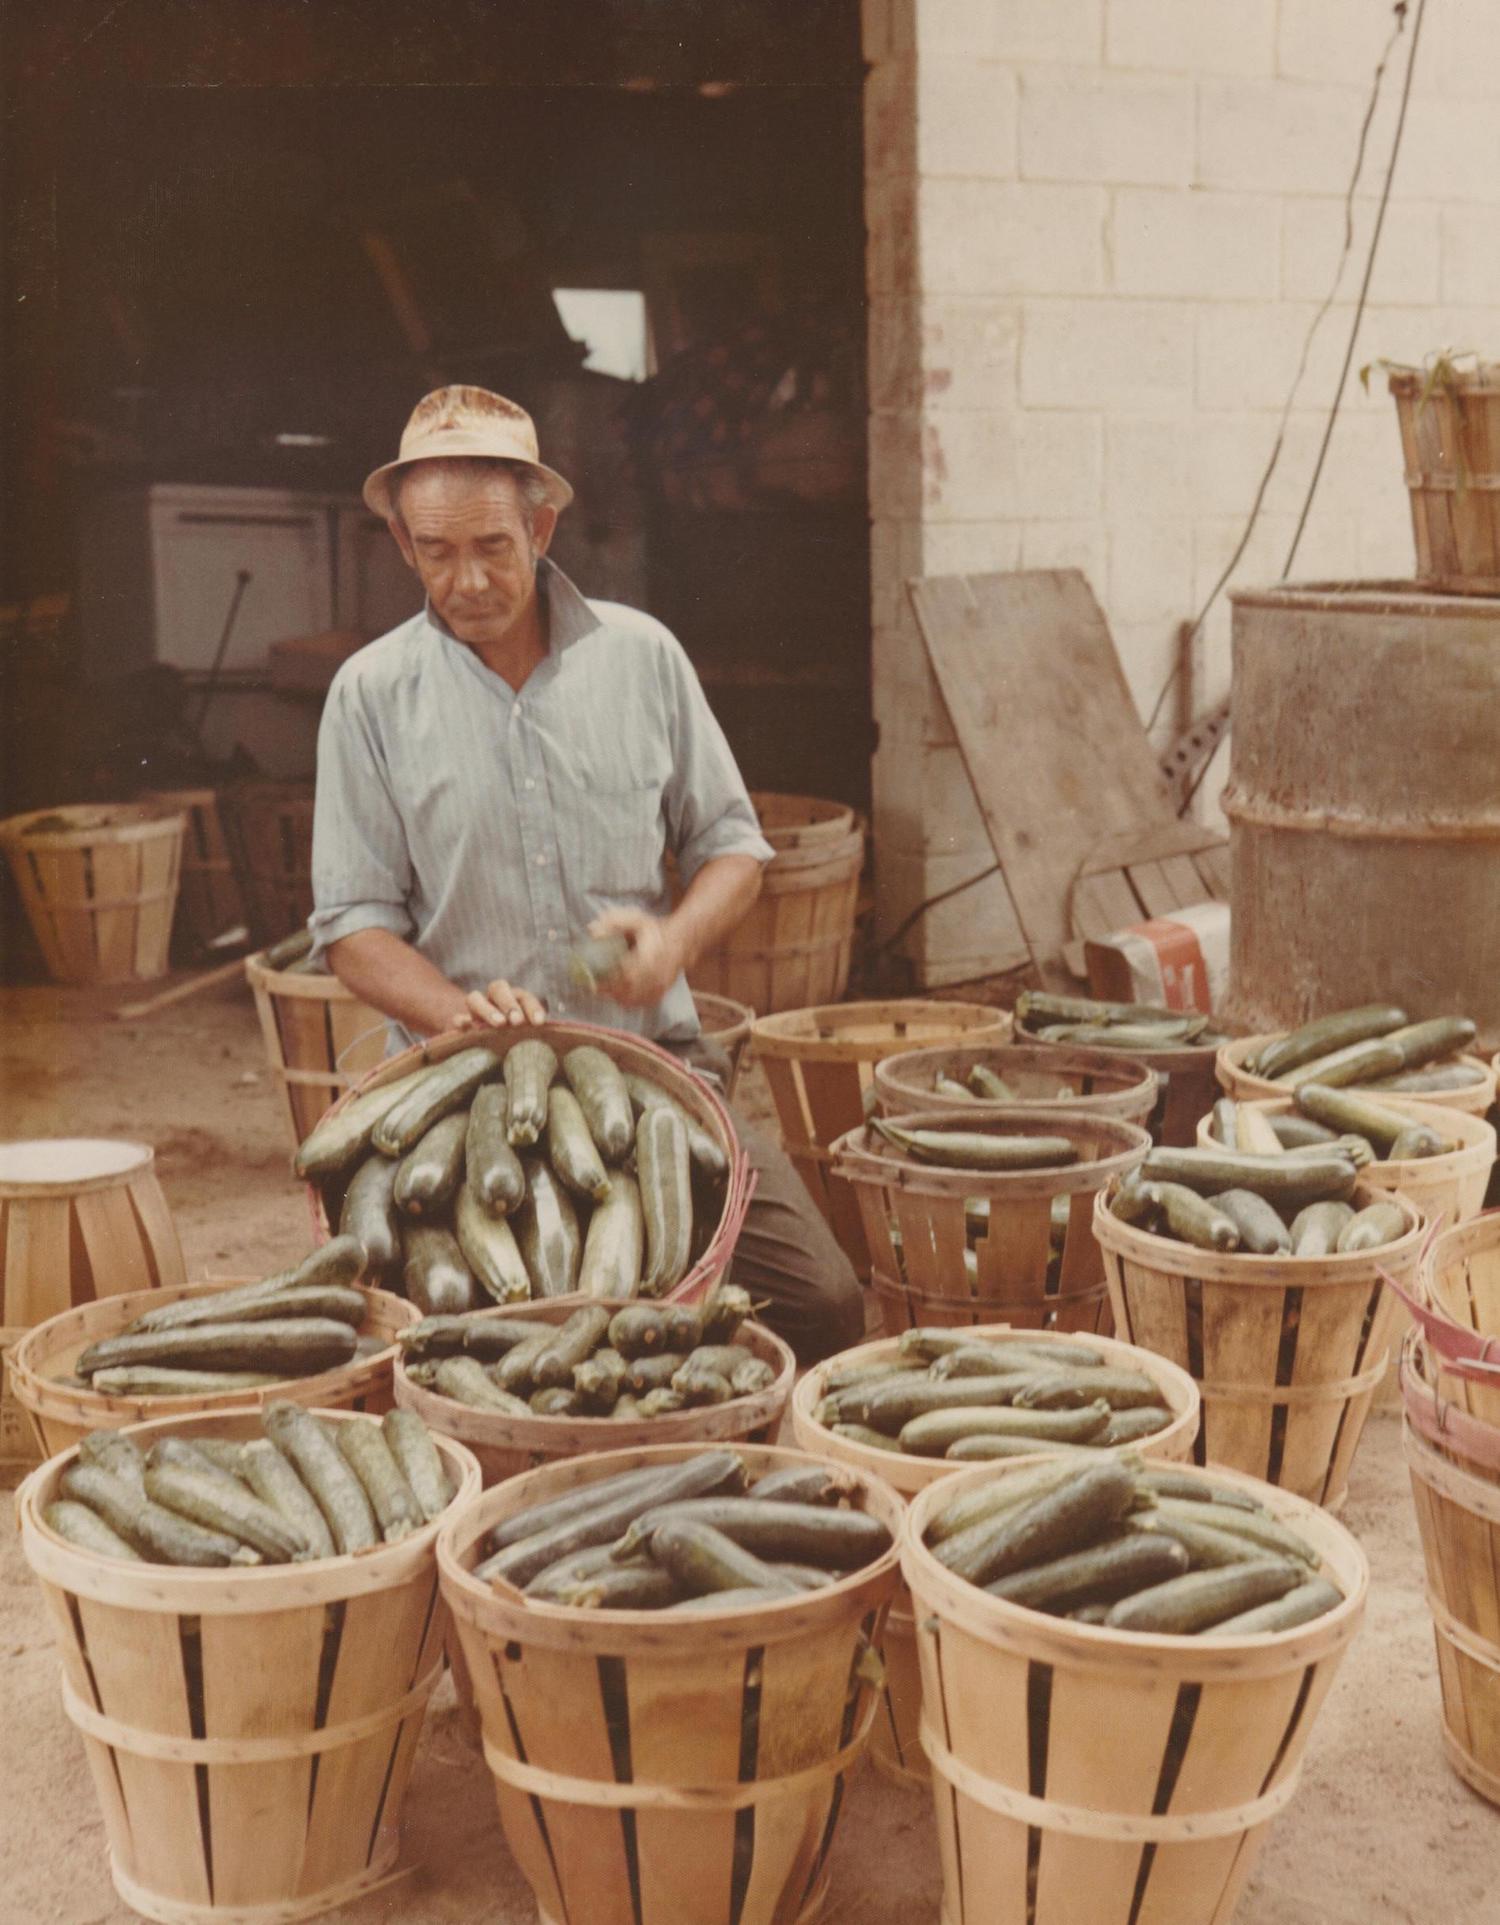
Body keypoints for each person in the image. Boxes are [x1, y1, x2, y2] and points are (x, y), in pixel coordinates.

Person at [309, 385, 864, 1360]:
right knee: (465, 1344)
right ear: (402, 541)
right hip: (458, 1093)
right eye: (435, 552)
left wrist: (675, 940)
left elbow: (734, 846)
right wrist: (451, 1010)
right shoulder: (371, 696)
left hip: (654, 1069)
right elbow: (352, 924)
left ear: (543, 524)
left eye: (492, 546)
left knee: (820, 1302)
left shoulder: (642, 659)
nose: (466, 579)